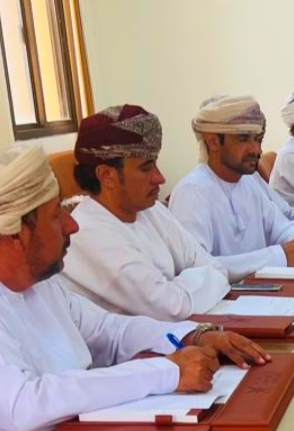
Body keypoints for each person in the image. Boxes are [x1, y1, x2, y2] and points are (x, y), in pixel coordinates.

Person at [0, 145, 268, 431]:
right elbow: (24, 405)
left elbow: (107, 329)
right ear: (15, 233)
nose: (72, 226)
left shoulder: (37, 282)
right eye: (56, 215)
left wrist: (194, 335)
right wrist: (167, 372)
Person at [56, 105, 232, 320]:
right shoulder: (88, 233)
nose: (160, 178)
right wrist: (189, 283)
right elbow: (170, 308)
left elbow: (217, 269)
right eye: (146, 167)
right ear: (106, 175)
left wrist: (175, 288)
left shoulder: (150, 210)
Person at [168, 95, 294, 283]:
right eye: (243, 139)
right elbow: (198, 268)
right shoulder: (191, 192)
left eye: (258, 139)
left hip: (264, 291)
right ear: (213, 142)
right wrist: (279, 256)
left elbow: (279, 226)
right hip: (224, 299)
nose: (256, 150)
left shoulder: (248, 182)